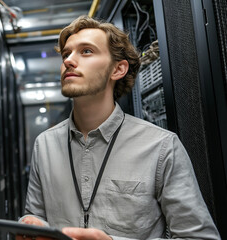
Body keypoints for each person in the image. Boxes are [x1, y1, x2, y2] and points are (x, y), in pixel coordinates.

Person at [18, 16, 220, 240]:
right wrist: (31, 225)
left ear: (118, 69)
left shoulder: (161, 146)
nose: (68, 61)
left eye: (86, 51)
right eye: (66, 54)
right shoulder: (45, 144)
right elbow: (35, 215)